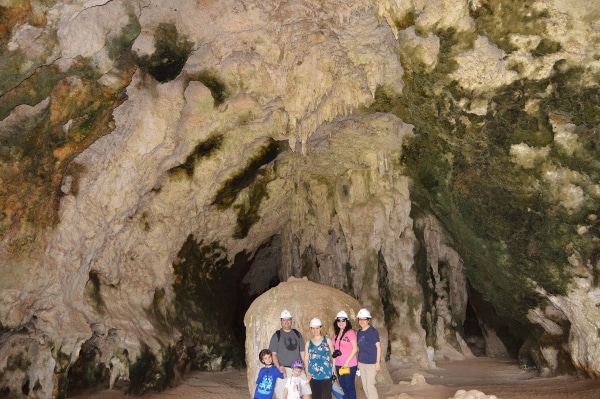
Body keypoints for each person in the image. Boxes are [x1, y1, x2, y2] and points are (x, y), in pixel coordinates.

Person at [269, 310, 312, 399]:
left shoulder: (297, 334)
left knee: (306, 391)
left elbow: (302, 352)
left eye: (288, 319)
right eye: (284, 320)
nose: (286, 322)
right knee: (282, 394)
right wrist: (278, 367)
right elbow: (273, 354)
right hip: (283, 369)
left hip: (298, 368)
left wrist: (306, 369)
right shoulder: (277, 335)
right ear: (281, 321)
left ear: (291, 320)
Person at [304, 317, 334, 399]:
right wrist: (307, 372)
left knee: (327, 395)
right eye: (313, 328)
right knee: (316, 395)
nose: (315, 330)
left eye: (317, 328)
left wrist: (333, 368)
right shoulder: (308, 343)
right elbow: (306, 358)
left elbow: (333, 355)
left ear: (321, 328)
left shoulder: (327, 340)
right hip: (313, 373)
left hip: (326, 372)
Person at [332, 310, 358, 399]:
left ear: (347, 321)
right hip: (339, 365)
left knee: (349, 386)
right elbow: (334, 352)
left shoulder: (350, 332)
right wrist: (333, 366)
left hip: (349, 365)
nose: (341, 322)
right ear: (336, 322)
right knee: (343, 387)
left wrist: (347, 362)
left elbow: (355, 348)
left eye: (343, 320)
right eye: (339, 320)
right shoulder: (335, 334)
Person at [356, 308, 381, 399]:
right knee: (365, 386)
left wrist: (377, 362)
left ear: (368, 320)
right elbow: (360, 348)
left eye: (364, 319)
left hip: (372, 363)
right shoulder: (359, 332)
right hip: (362, 363)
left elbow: (378, 347)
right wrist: (358, 361)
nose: (362, 321)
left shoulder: (372, 332)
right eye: (360, 319)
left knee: (370, 385)